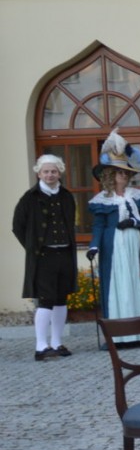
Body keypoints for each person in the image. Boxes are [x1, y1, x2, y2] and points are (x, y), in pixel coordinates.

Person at [86, 129, 140, 344]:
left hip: (136, 245)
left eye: (127, 172)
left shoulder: (136, 196)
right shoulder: (102, 200)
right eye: (120, 172)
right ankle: (120, 335)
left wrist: (136, 222)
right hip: (114, 248)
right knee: (118, 285)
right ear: (110, 175)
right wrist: (93, 246)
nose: (124, 176)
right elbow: (98, 226)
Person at [12, 154, 78, 361]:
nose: (50, 175)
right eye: (46, 171)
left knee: (61, 298)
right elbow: (17, 227)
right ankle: (41, 346)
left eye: (54, 171)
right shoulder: (29, 198)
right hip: (43, 256)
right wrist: (33, 248)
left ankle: (57, 342)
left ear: (60, 173)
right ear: (39, 173)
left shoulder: (66, 196)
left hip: (64, 253)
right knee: (45, 299)